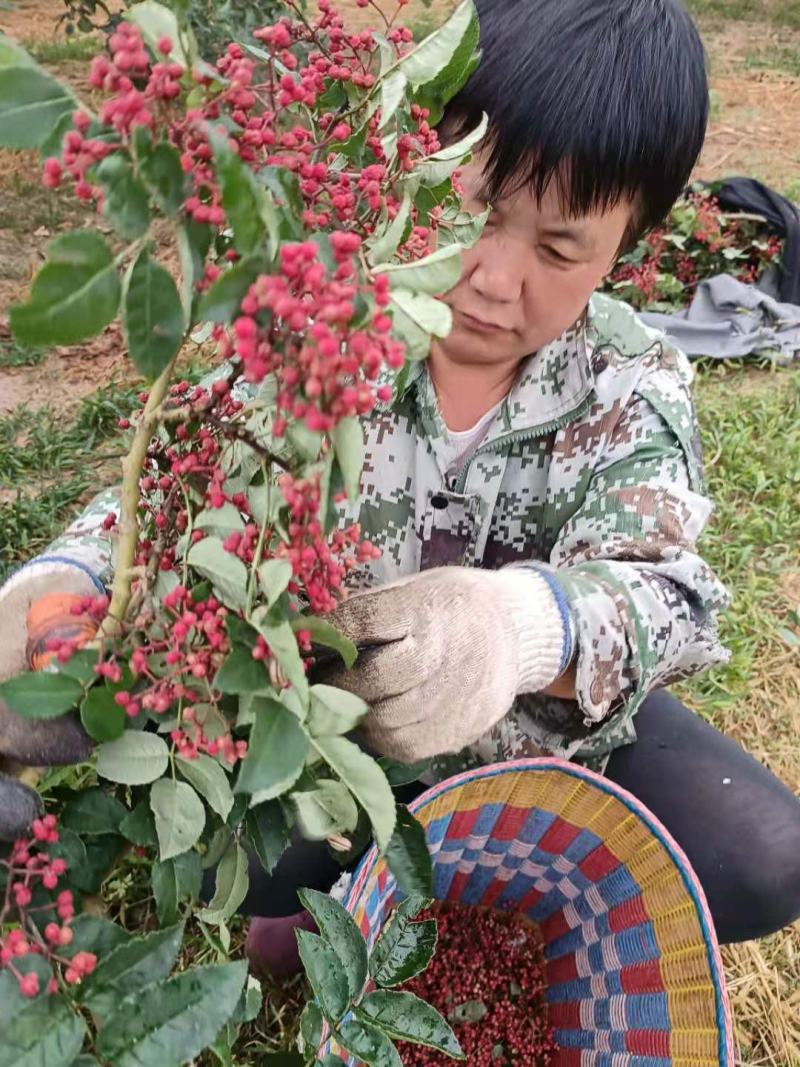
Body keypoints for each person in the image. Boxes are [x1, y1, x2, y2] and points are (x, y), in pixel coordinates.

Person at [2, 0, 799, 967]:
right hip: (339, 733)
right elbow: (171, 486)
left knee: (766, 855)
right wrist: (64, 589)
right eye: (477, 209)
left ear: (630, 243)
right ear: (420, 156)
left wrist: (515, 629)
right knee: (244, 886)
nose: (494, 281)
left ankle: (492, 893)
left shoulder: (633, 379)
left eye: (558, 250)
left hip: (549, 748)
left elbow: (668, 596)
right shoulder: (321, 316)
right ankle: (368, 891)